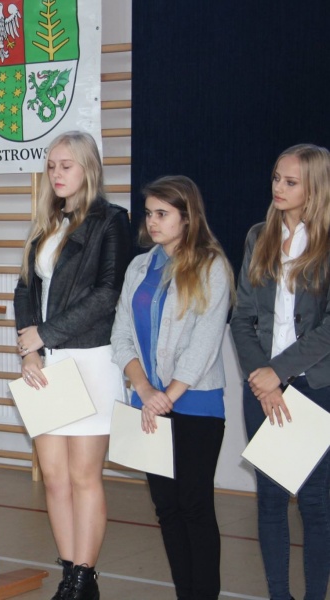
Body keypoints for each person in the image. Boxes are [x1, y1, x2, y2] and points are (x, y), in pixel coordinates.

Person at [13, 130, 131, 600]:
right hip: (46, 363)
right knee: (55, 478)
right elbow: (25, 288)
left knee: (84, 477)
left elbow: (107, 294)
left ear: (88, 168)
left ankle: (84, 577)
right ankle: (70, 576)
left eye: (66, 165)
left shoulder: (111, 220)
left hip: (91, 361)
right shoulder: (46, 220)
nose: (56, 173)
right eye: (51, 166)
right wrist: (31, 349)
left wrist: (46, 334)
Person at [111, 176, 234, 600]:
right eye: (149, 213)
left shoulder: (211, 266)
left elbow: (205, 343)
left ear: (187, 216)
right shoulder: (138, 267)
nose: (152, 222)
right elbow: (121, 336)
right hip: (147, 403)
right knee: (166, 509)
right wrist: (145, 390)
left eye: (162, 214)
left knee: (194, 506)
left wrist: (168, 395)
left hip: (196, 404)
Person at [230, 144, 330, 600]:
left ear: (315, 188)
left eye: (290, 182)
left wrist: (280, 372)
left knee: (314, 501)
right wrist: (263, 377)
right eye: (276, 178)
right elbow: (242, 318)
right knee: (270, 499)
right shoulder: (258, 236)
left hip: (316, 386)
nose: (278, 188)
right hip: (262, 386)